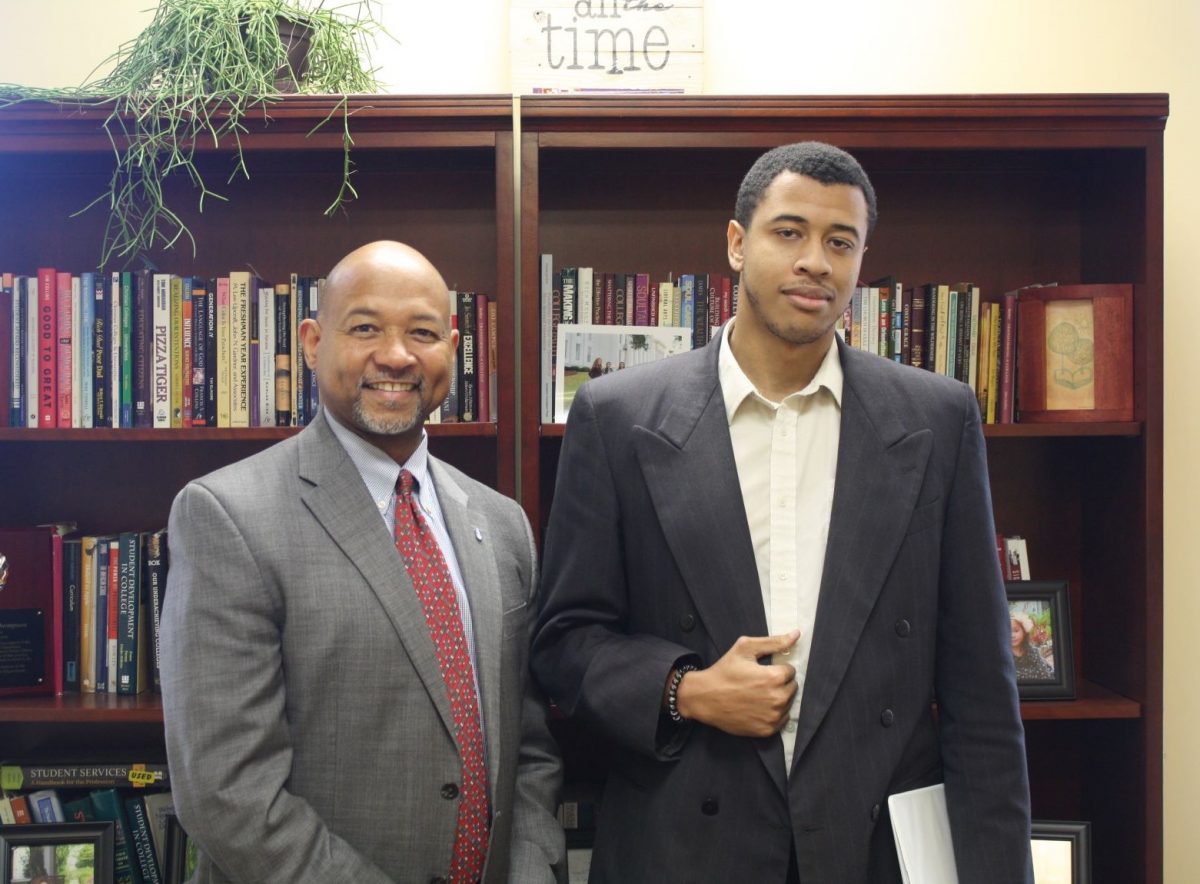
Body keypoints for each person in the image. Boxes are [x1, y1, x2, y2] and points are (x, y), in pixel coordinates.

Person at [531, 142, 1032, 883]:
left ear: (862, 260)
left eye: (841, 241)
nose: (816, 262)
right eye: (789, 232)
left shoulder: (936, 418)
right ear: (737, 244)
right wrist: (686, 690)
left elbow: (982, 693)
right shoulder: (619, 417)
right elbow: (564, 644)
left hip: (873, 850)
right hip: (683, 844)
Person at [161, 241, 567, 884]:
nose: (397, 356)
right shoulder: (227, 516)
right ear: (313, 341)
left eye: (423, 332)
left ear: (454, 349)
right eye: (366, 328)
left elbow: (531, 748)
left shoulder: (503, 522)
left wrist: (531, 869)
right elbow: (225, 793)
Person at [1011, 612, 1054, 681]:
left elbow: (1045, 674)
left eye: (1016, 631)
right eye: (1008, 631)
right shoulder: (1002, 655)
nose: (1012, 635)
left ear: (1024, 632)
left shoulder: (1033, 652)